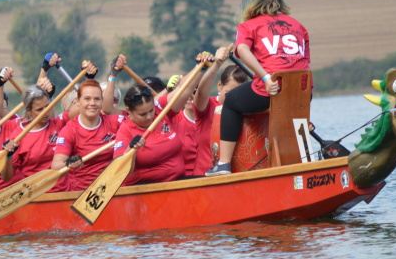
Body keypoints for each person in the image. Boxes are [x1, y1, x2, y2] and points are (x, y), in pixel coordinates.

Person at [206, 0, 310, 176]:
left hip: (270, 89)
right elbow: (305, 62)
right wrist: (305, 95)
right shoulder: (298, 26)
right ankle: (303, 160)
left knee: (231, 101)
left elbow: (241, 49)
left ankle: (224, 165)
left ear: (251, 1)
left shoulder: (248, 26)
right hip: (301, 93)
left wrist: (265, 78)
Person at [111, 55, 209, 186]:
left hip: (177, 182)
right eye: (142, 114)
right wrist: (130, 149)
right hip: (146, 188)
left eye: (151, 110)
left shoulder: (161, 109)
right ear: (129, 111)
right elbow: (120, 172)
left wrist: (200, 68)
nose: (149, 117)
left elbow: (183, 90)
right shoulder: (125, 131)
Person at [52, 80, 121, 190]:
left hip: (113, 188)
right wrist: (68, 163)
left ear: (102, 101)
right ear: (78, 101)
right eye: (87, 99)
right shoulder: (69, 131)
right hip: (83, 192)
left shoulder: (116, 122)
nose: (92, 103)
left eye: (97, 99)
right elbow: (56, 167)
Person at [192, 49, 250, 176]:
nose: (233, 99)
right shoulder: (208, 106)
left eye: (239, 95)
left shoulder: (248, 110)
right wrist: (216, 64)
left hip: (236, 176)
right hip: (205, 176)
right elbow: (201, 93)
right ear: (219, 85)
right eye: (229, 94)